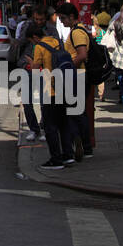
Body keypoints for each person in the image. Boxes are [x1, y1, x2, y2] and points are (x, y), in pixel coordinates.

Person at [32, 23, 80, 170]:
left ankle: (56, 159)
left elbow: (35, 69)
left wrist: (31, 64)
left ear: (34, 37)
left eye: (31, 41)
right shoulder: (57, 42)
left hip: (50, 91)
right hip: (65, 88)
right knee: (64, 124)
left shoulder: (39, 47)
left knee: (50, 126)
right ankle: (68, 155)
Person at [56, 2, 93, 160]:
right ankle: (85, 145)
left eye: (63, 18)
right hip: (78, 75)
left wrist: (68, 69)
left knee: (75, 113)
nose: (62, 22)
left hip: (77, 75)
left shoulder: (77, 33)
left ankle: (83, 145)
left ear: (72, 17)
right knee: (78, 112)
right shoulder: (76, 31)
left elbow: (82, 54)